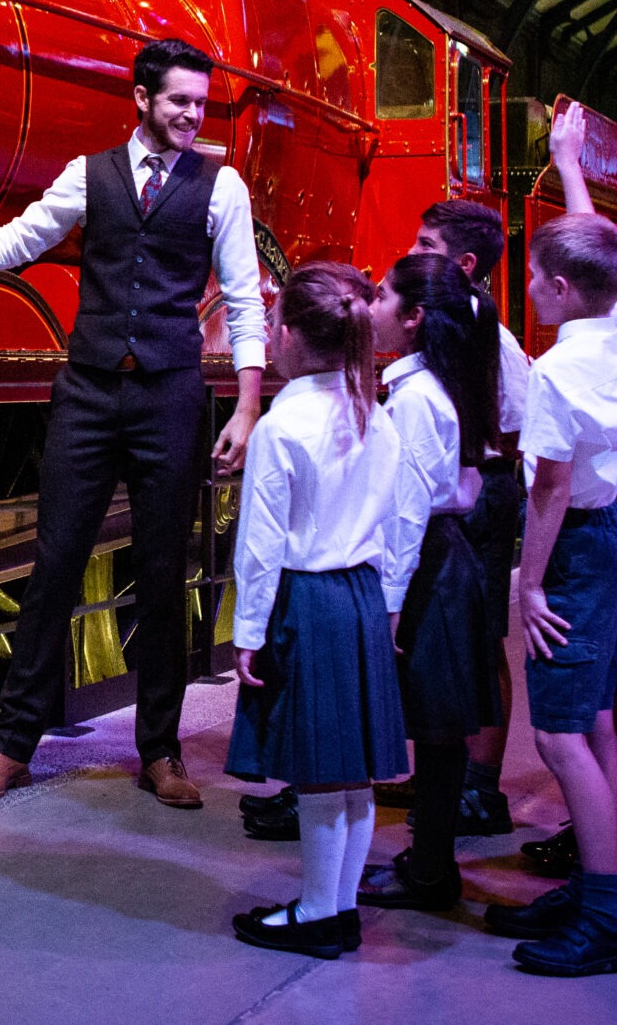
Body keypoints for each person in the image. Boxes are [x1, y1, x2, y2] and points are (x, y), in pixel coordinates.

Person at [0, 38, 265, 810]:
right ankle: (10, 746)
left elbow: (244, 301)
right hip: (89, 392)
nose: (191, 115)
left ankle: (161, 750)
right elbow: (13, 244)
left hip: (169, 394)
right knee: (55, 563)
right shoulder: (88, 173)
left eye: (199, 103)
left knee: (165, 570)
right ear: (141, 98)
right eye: (179, 101)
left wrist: (244, 403)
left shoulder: (222, 185)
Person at [483, 212, 617, 976]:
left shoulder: (556, 367)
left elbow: (550, 487)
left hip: (573, 547)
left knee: (559, 734)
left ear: (559, 287)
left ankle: (603, 918)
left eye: (533, 278)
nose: (527, 287)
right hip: (615, 532)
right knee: (594, 718)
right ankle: (598, 884)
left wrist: (529, 580)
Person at [225, 263, 407, 959]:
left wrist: (247, 632)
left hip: (308, 597)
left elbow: (262, 544)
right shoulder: (375, 413)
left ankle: (318, 912)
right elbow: (393, 520)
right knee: (352, 769)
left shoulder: (282, 424)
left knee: (318, 771)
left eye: (273, 322)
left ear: (293, 335)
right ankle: (339, 905)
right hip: (360, 594)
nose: (268, 334)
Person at [355, 252, 502, 915]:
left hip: (427, 571)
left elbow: (408, 510)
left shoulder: (416, 397)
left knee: (437, 732)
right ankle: (431, 862)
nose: (371, 306)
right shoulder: (439, 383)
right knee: (440, 733)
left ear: (414, 318)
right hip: (444, 561)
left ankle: (431, 868)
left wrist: (388, 609)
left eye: (381, 296)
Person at [411, 198, 529, 835]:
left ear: (464, 262)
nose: (412, 252)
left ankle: (482, 788)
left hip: (482, 487)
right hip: (457, 487)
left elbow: (515, 424)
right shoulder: (442, 319)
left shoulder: (491, 332)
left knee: (481, 637)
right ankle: (446, 773)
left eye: (425, 245)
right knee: (446, 634)